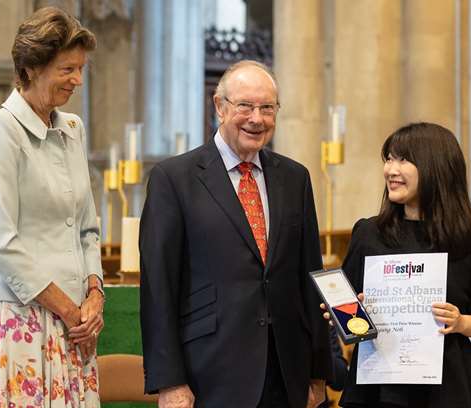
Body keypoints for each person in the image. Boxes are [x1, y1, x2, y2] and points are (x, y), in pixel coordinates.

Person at [139, 60, 330, 408]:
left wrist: (317, 372)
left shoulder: (295, 178)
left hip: (285, 372)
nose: (256, 118)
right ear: (220, 107)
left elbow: (310, 276)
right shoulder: (174, 179)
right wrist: (169, 381)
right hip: (209, 372)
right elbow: (159, 287)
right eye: (245, 106)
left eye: (267, 108)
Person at [0, 7, 104, 405]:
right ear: (31, 68)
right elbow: (2, 243)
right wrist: (69, 310)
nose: (77, 80)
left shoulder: (72, 130)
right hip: (20, 320)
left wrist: (95, 296)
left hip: (76, 326)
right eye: (66, 69)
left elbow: (88, 229)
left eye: (81, 69)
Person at [326, 122, 471, 407]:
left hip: (447, 387)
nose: (391, 169)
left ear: (436, 167)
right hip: (378, 385)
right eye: (388, 159)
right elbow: (345, 312)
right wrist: (351, 314)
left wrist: (462, 322)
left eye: (403, 159)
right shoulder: (369, 233)